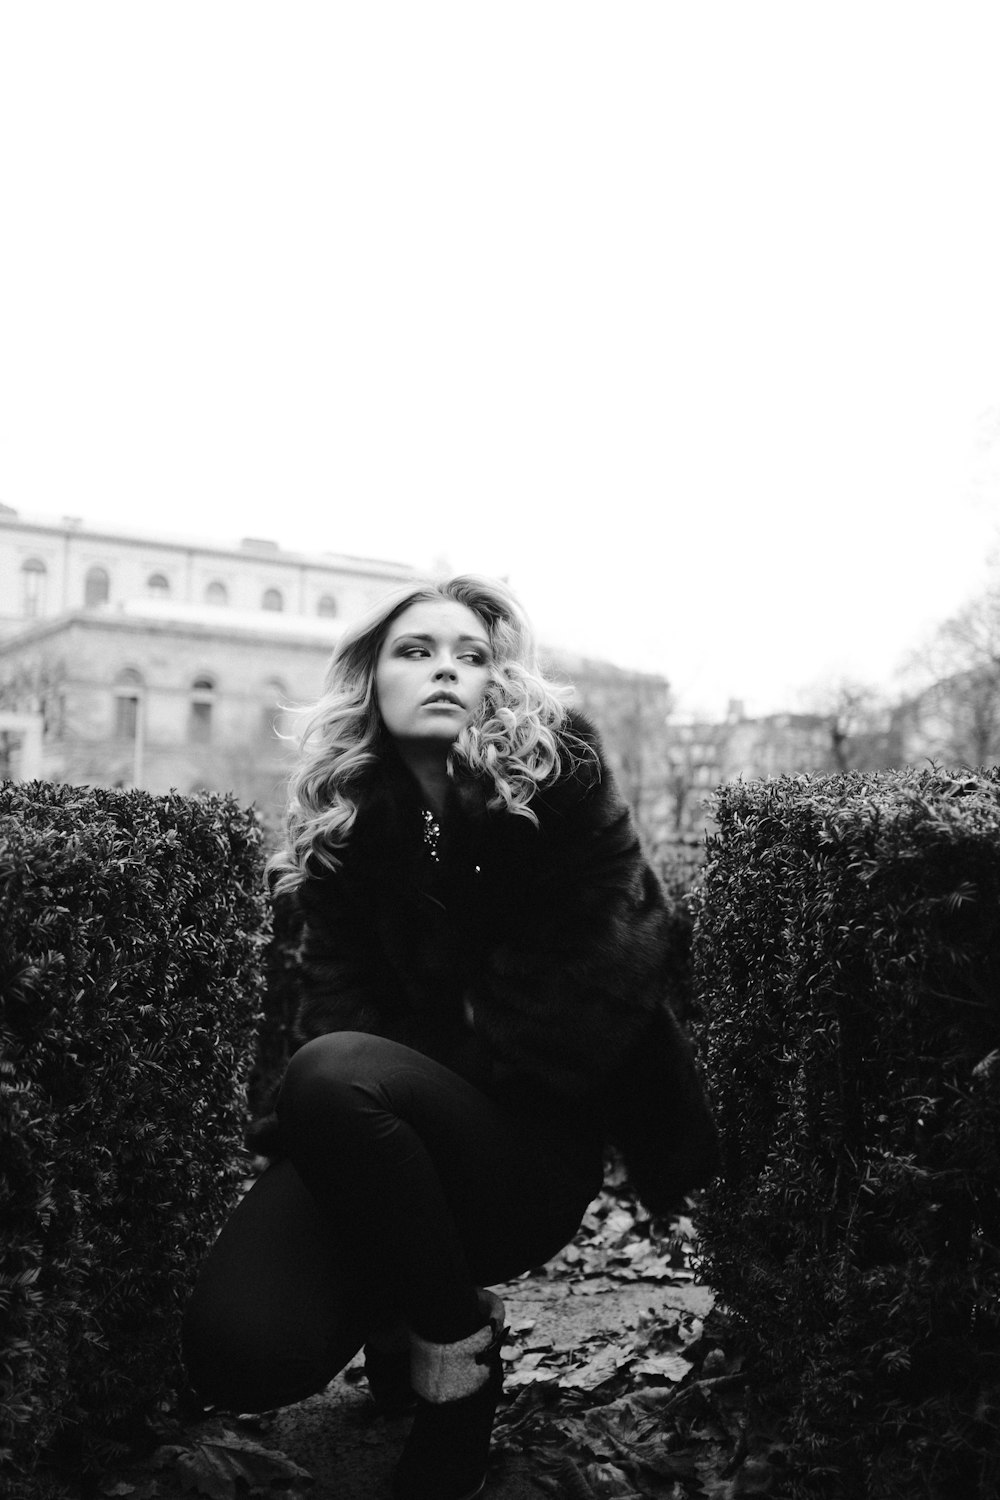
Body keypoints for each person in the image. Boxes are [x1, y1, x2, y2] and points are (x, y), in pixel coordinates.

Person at [182, 574, 719, 1500]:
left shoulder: (559, 782)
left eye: (471, 656)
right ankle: (400, 1297)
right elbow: (336, 1010)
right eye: (416, 651)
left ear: (497, 685)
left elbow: (590, 992)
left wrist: (391, 1070)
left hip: (525, 1152)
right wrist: (367, 1094)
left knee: (339, 1074)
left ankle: (460, 1370)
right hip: (381, 1121)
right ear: (373, 680)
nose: (445, 671)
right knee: (237, 1355)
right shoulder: (352, 824)